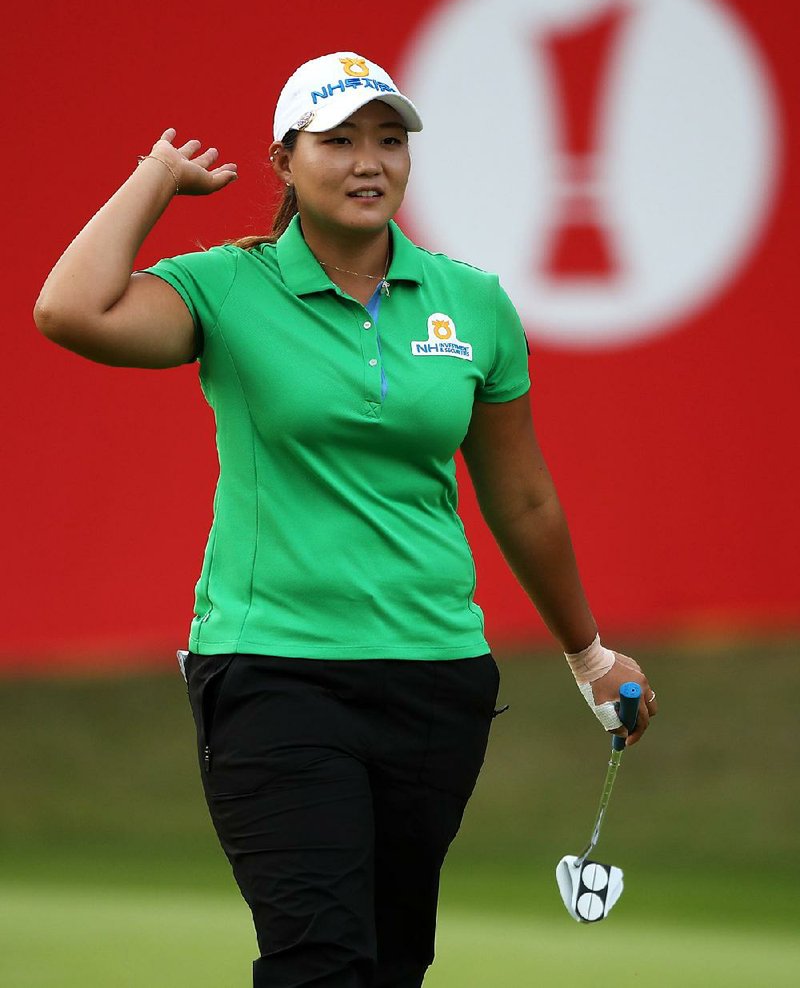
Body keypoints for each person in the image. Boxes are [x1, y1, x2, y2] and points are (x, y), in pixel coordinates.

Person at [34, 51, 657, 988]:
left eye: (389, 139)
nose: (369, 161)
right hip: (273, 671)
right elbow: (69, 310)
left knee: (391, 961)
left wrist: (589, 657)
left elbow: (520, 497)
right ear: (284, 161)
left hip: (436, 677)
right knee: (320, 959)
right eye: (338, 141)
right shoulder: (227, 286)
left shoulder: (471, 300)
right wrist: (155, 179)